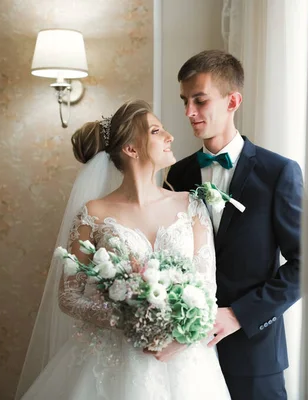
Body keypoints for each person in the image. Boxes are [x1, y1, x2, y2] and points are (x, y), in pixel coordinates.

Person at [15, 99, 231, 400]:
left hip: (184, 363)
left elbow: (207, 291)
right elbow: (68, 295)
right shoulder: (94, 213)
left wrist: (179, 335)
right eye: (157, 131)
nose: (170, 136)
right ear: (131, 149)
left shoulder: (191, 205)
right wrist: (125, 316)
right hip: (111, 359)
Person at [166, 50, 303, 400]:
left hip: (254, 354)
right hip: (185, 355)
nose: (188, 113)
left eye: (200, 100)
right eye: (184, 101)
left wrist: (238, 315)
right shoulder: (178, 174)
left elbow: (306, 264)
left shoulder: (278, 173)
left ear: (233, 100)